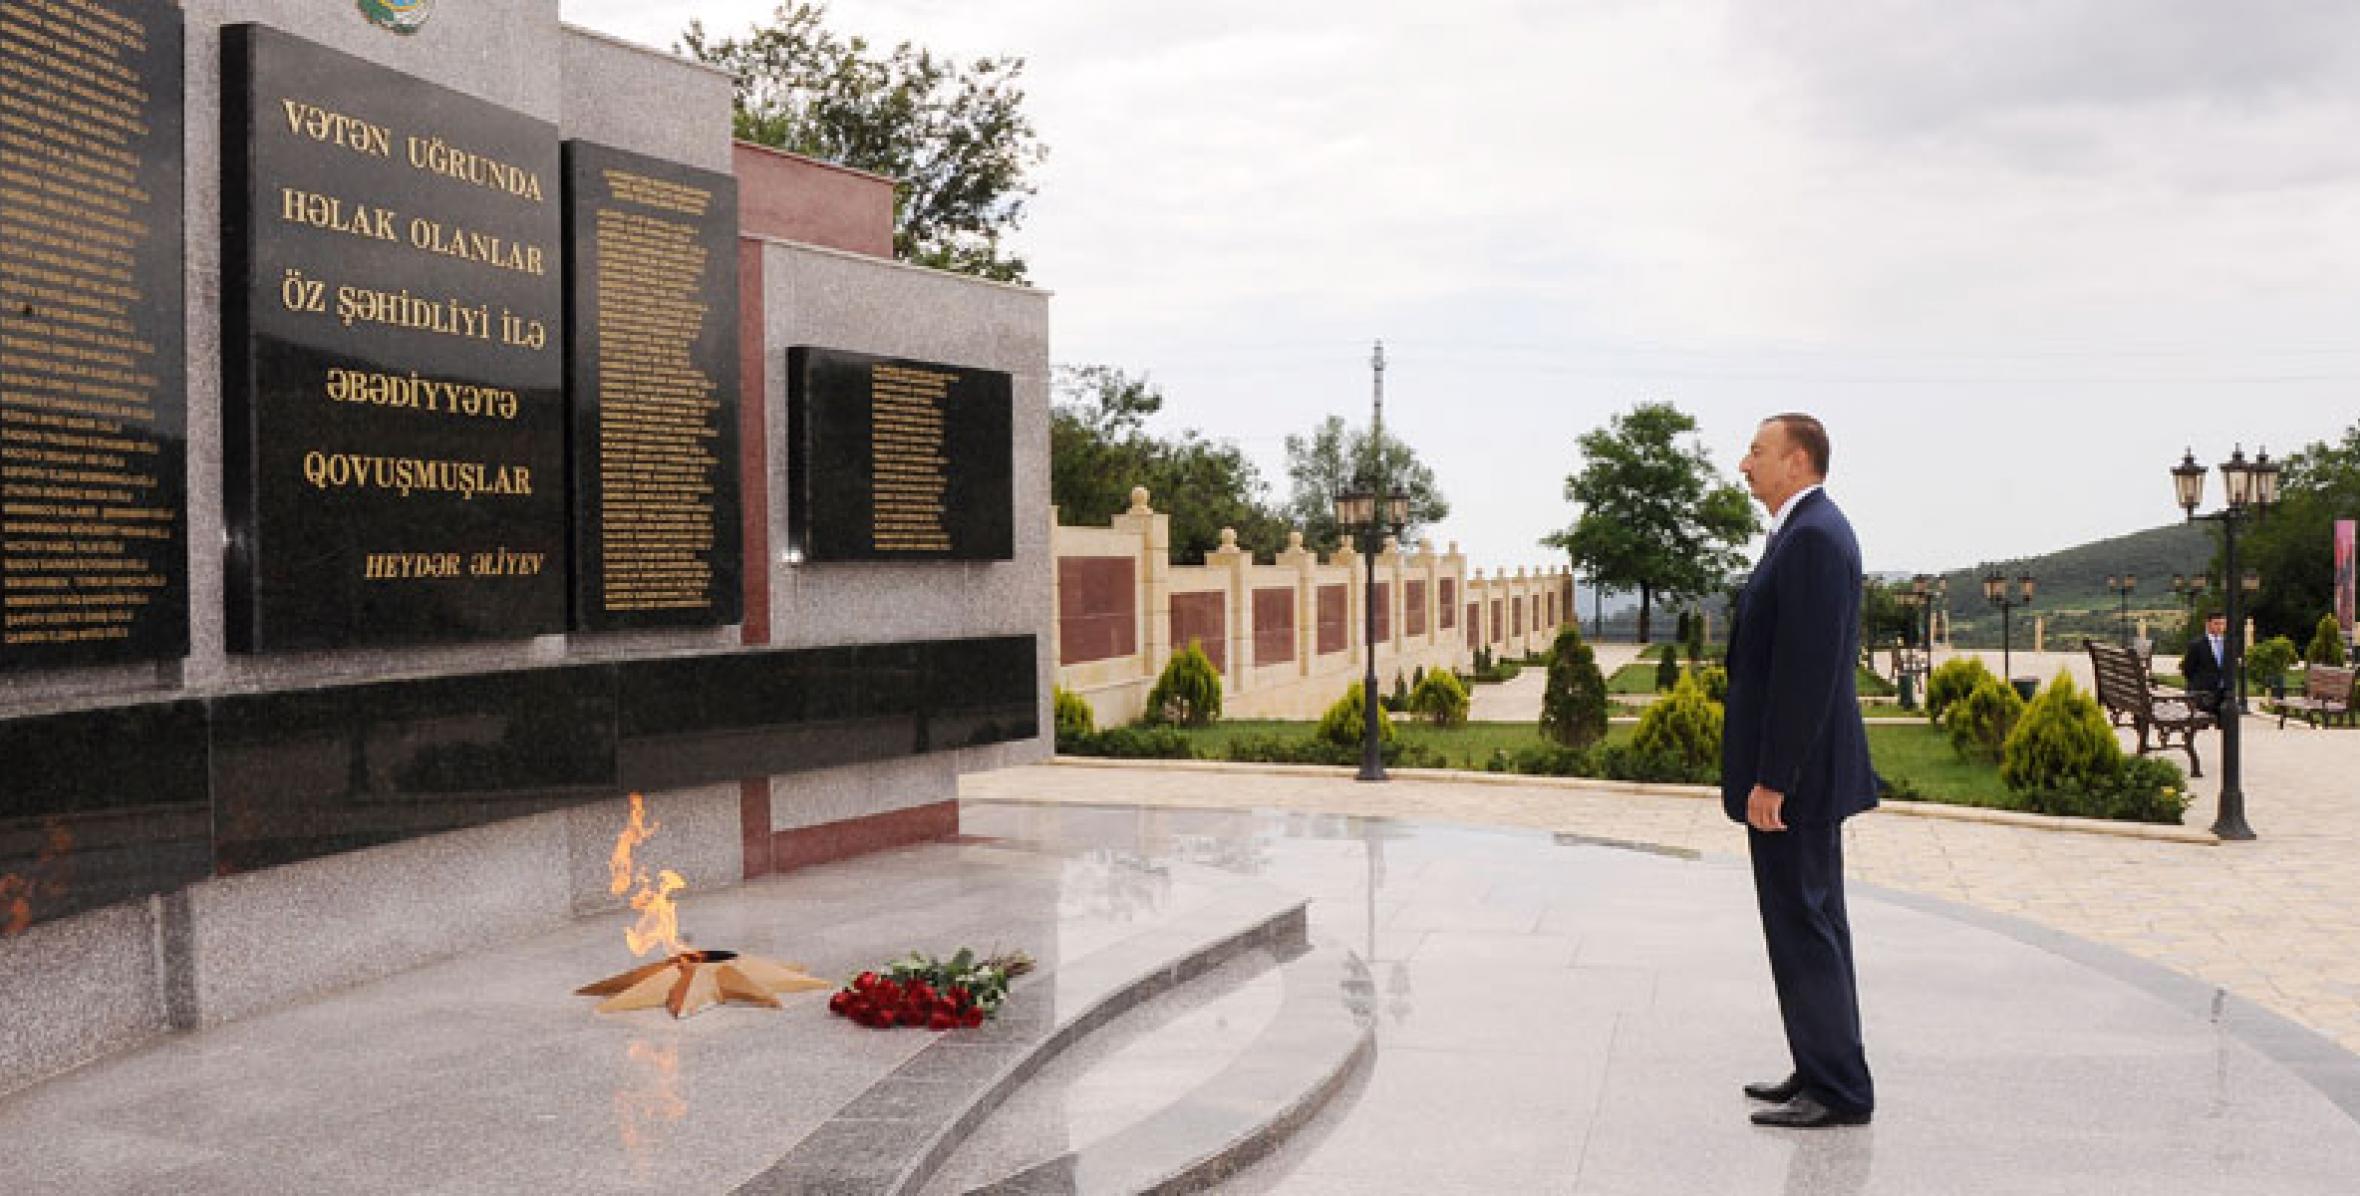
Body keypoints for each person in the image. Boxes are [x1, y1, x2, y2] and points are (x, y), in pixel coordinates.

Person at [1723, 413, 1877, 1129]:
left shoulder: (1813, 537)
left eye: (1757, 451)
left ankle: (1838, 1090)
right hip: (1804, 776)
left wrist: (1774, 777)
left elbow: (1806, 675)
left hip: (1799, 783)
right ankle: (1821, 1066)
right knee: (1812, 924)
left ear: (1797, 460)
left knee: (1805, 926)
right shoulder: (1804, 531)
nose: (1745, 463)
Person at [2178, 611, 2232, 715]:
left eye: (2222, 624)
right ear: (2208, 624)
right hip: (2203, 692)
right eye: (2216, 623)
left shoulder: (2229, 643)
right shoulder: (2197, 644)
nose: (2220, 627)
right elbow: (2187, 668)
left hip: (2224, 692)